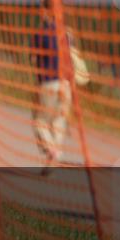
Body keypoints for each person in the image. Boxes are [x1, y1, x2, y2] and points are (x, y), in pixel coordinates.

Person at [30, 11, 89, 170]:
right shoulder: (68, 34)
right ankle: (53, 160)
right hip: (67, 84)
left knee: (39, 122)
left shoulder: (41, 33)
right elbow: (75, 57)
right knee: (59, 122)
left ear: (46, 12)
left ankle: (53, 151)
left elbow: (33, 58)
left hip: (49, 83)